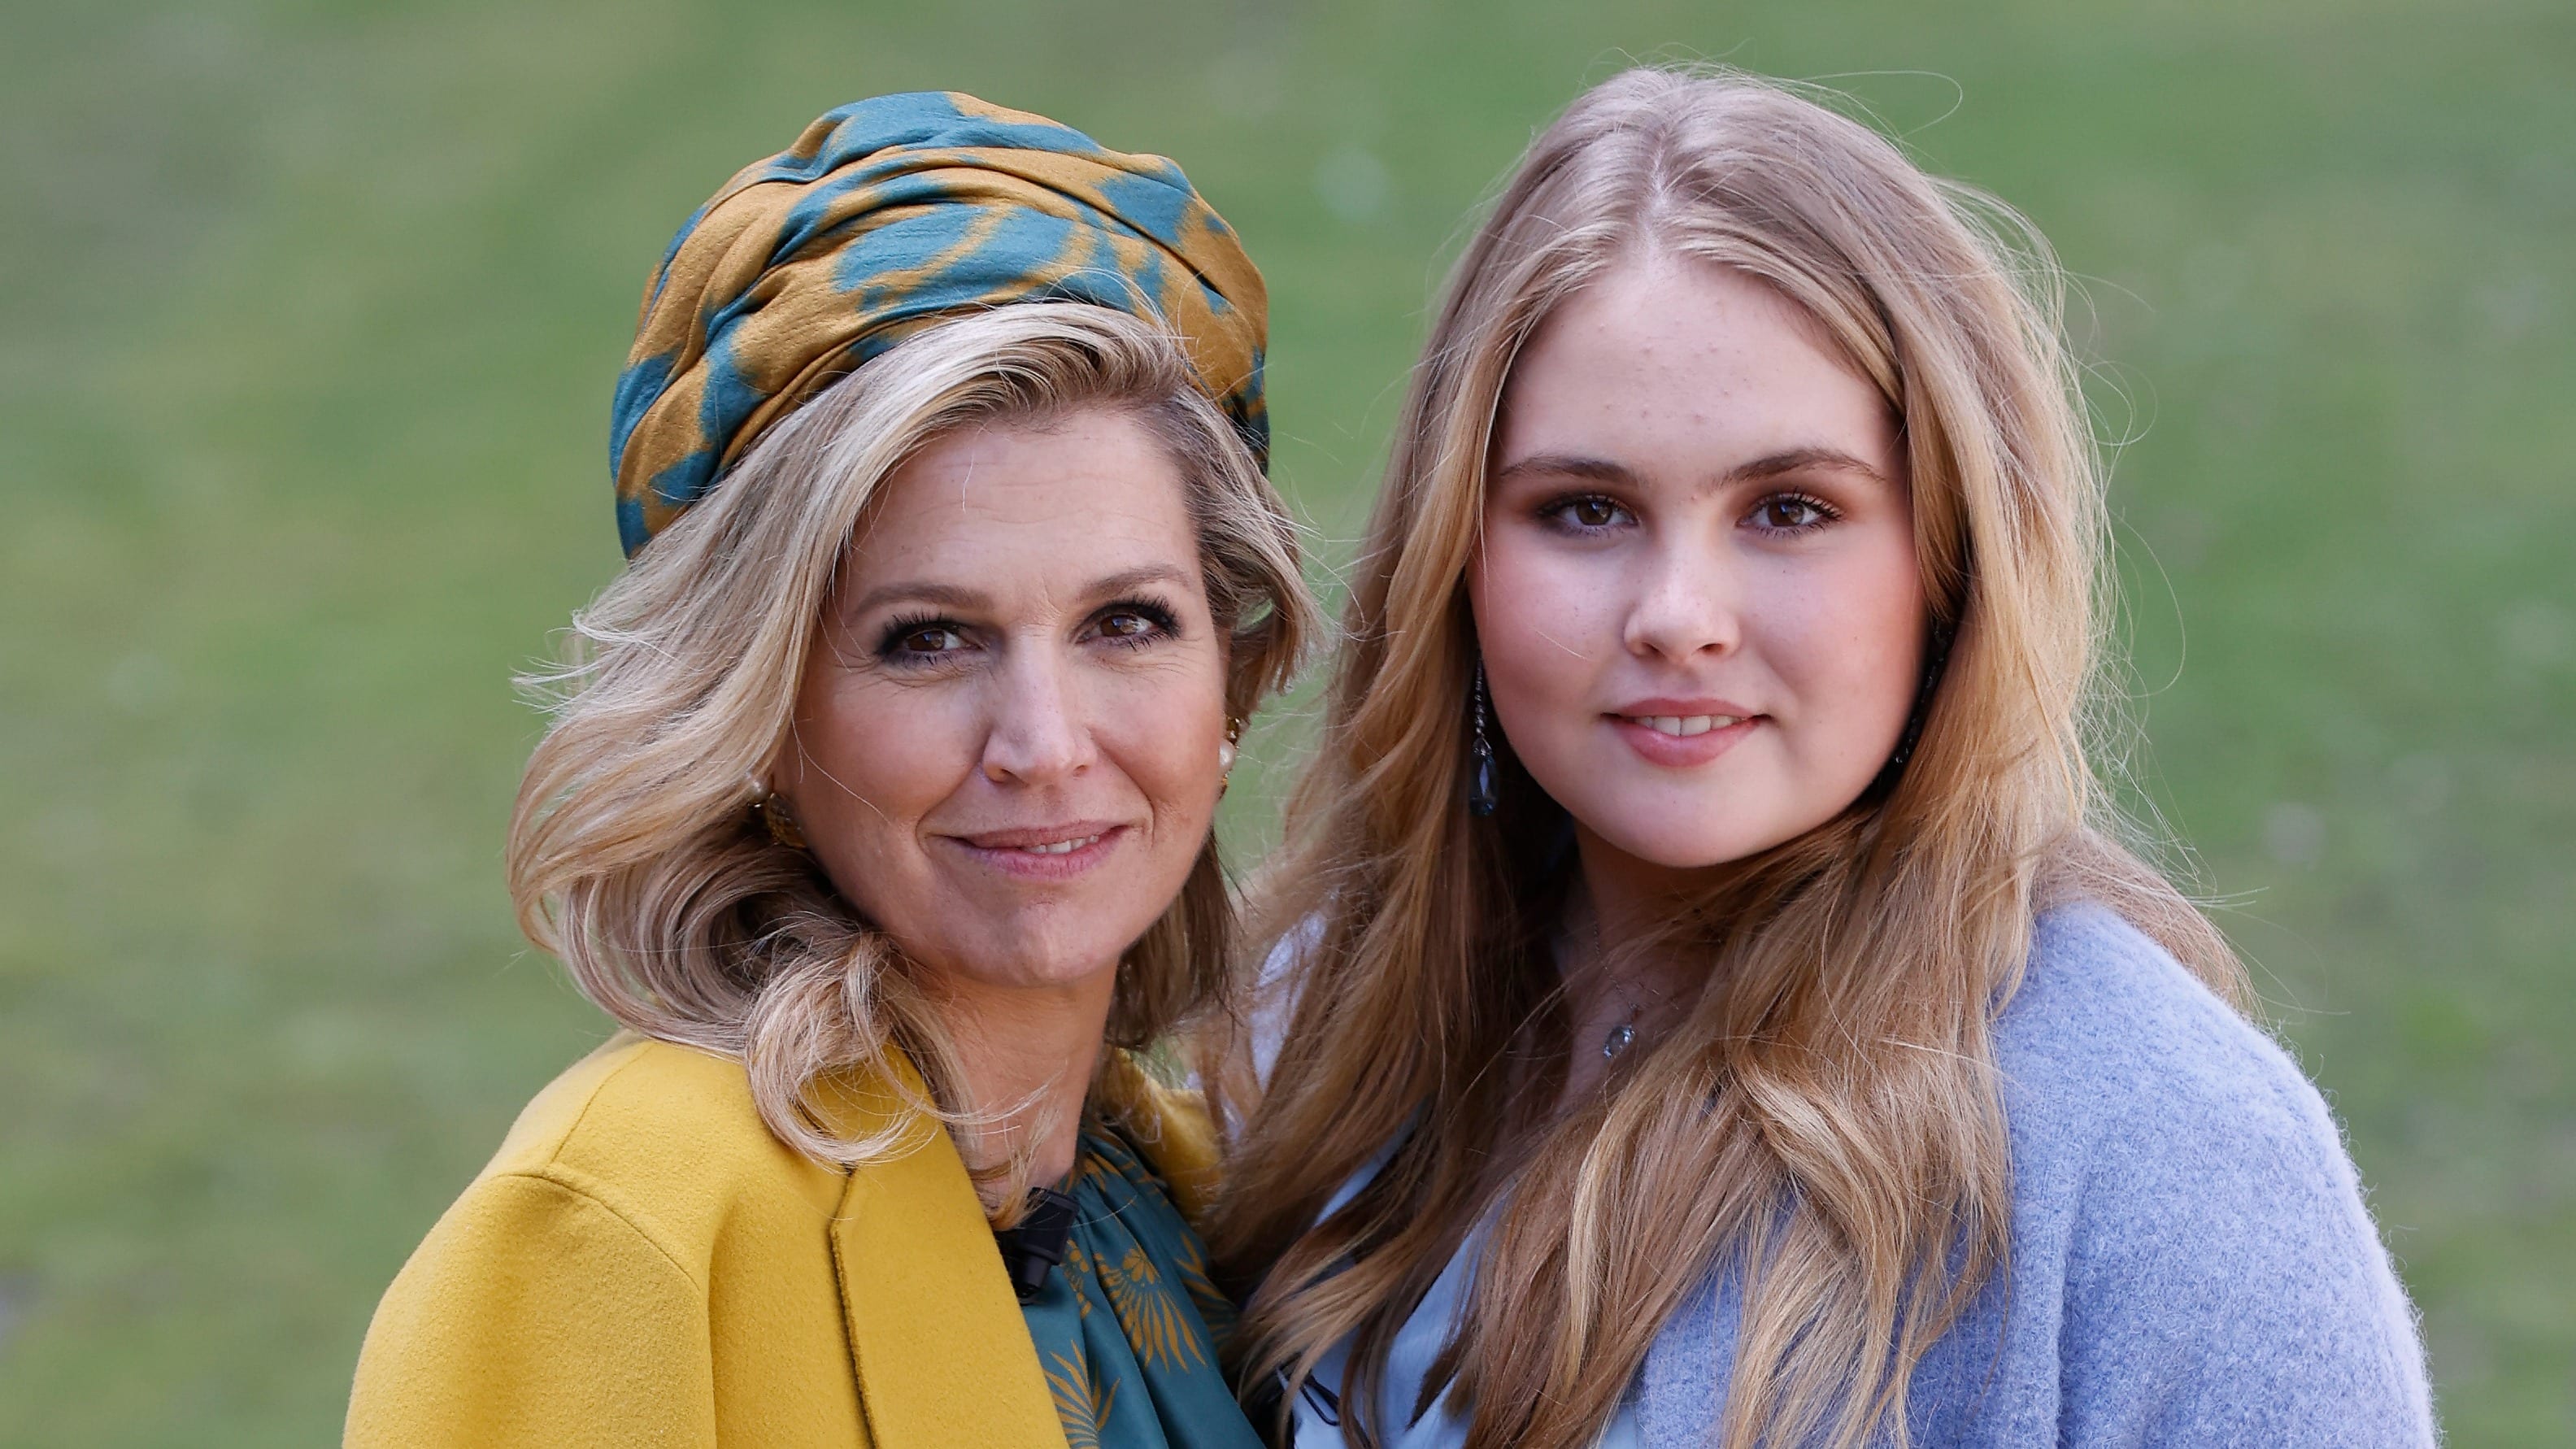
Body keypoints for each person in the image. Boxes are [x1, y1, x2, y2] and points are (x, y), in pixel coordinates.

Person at [1211, 67, 2435, 1448]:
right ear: (1455, 557)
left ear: (1950, 560)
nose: (1680, 615)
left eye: (1789, 509)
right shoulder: (1306, 1017)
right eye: (1586, 508)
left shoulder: (2168, 1153)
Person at [345, 91, 1318, 1449]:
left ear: (1232, 676)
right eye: (928, 639)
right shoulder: (624, 1226)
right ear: (763, 715)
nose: (1045, 744)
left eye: (1126, 623)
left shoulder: (1202, 1200)